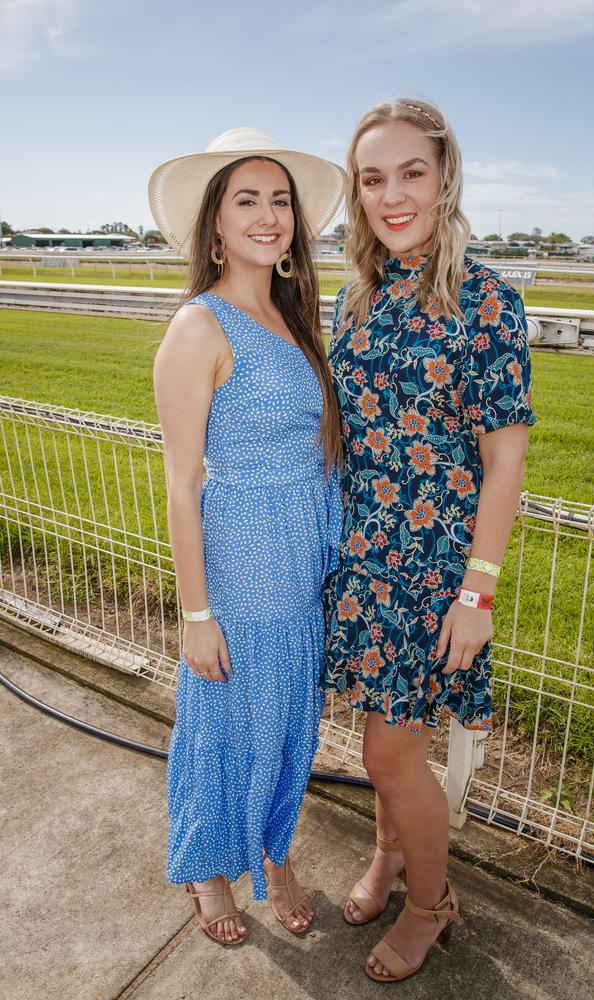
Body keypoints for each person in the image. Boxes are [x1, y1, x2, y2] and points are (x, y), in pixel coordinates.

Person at [323, 98, 536, 982]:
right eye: (374, 178)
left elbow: (506, 464)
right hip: (363, 556)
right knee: (384, 737)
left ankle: (433, 904)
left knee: (389, 749)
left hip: (435, 572)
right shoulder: (357, 294)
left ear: (445, 176)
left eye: (412, 172)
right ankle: (391, 854)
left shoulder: (487, 301)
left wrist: (477, 593)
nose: (392, 195)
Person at [150, 128, 345, 945]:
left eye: (279, 201)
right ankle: (207, 869)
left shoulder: (293, 314)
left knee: (290, 719)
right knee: (228, 726)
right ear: (216, 221)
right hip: (243, 564)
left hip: (304, 562)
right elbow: (181, 485)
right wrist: (198, 615)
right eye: (246, 200)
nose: (268, 216)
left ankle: (275, 853)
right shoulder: (200, 325)